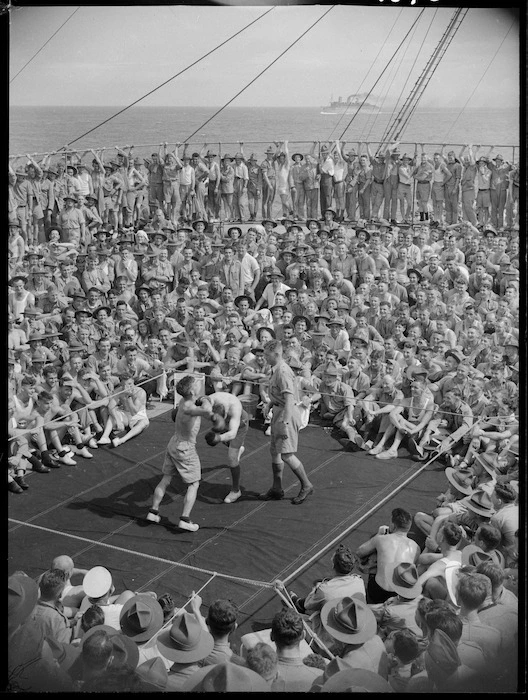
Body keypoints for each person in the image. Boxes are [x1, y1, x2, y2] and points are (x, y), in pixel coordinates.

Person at [146, 375, 213, 531]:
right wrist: (206, 399)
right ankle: (185, 519)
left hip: (174, 443)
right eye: (196, 384)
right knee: (194, 483)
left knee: (166, 478)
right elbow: (207, 410)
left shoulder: (183, 402)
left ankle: (153, 511)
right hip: (185, 448)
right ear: (191, 390)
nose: (199, 385)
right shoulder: (189, 407)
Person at [259, 339, 314, 505]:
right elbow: (279, 395)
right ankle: (277, 488)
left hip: (286, 413)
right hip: (278, 411)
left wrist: (285, 423)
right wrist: (269, 404)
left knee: (287, 454)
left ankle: (306, 484)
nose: (264, 358)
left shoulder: (283, 372)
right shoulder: (275, 369)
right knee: (275, 450)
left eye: (267, 355)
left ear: (276, 354)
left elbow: (290, 400)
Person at [356, 508, 420, 604]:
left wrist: (378, 535)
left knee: (374, 558)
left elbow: (360, 552)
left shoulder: (381, 539)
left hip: (378, 590)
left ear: (393, 525)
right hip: (398, 593)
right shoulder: (416, 547)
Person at [199, 391, 248, 504]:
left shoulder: (234, 408)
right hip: (222, 418)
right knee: (218, 434)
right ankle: (237, 448)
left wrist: (218, 439)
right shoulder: (208, 402)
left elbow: (232, 433)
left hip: (240, 424)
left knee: (232, 457)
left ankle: (236, 490)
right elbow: (200, 399)